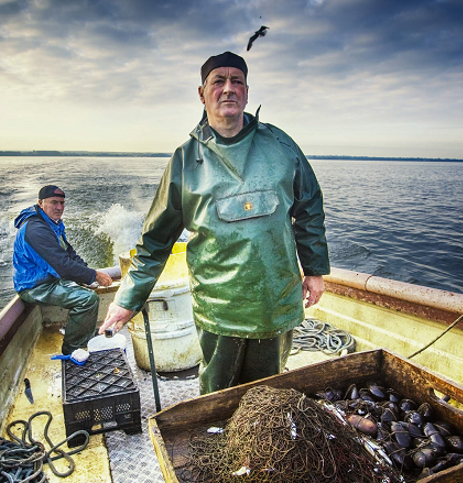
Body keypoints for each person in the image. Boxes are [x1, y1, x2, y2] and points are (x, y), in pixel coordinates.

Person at [99, 51, 330, 394]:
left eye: (236, 81)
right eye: (218, 81)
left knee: (269, 396)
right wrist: (128, 299)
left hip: (276, 300)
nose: (228, 89)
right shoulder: (184, 160)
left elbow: (309, 207)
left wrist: (314, 269)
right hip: (219, 308)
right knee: (218, 396)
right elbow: (156, 241)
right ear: (202, 93)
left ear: (247, 92)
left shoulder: (281, 145)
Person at [13, 185, 112, 355]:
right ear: (40, 203)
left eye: (62, 203)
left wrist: (87, 272)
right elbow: (62, 265)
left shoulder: (51, 223)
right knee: (86, 299)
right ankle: (73, 349)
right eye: (54, 203)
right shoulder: (36, 230)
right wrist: (93, 275)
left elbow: (68, 253)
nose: (59, 207)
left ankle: (85, 336)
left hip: (51, 278)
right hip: (35, 286)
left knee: (88, 290)